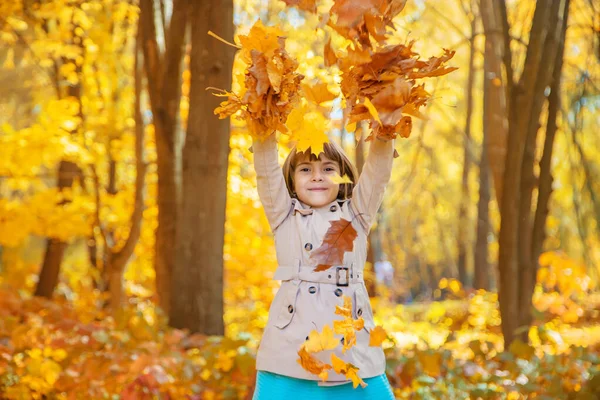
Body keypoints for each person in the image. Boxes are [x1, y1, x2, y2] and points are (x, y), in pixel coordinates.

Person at [251, 131, 396, 399]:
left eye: (328, 168)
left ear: (343, 179)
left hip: (352, 345)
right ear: (292, 182)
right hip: (291, 345)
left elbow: (377, 174)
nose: (317, 176)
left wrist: (384, 136)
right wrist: (263, 129)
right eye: (306, 169)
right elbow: (266, 171)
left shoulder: (357, 214)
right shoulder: (283, 214)